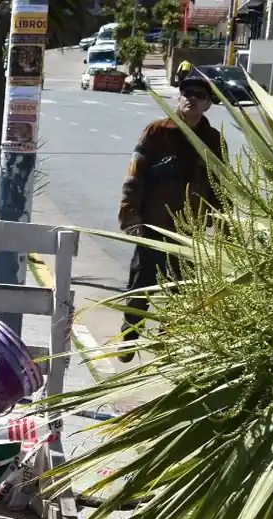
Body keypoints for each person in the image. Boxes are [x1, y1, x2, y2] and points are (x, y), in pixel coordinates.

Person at [117, 71, 225, 353]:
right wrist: (131, 216)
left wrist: (224, 222)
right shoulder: (156, 132)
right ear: (179, 98)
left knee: (182, 286)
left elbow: (220, 184)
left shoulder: (212, 140)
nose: (191, 99)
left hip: (190, 228)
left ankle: (169, 339)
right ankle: (131, 332)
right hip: (153, 222)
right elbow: (134, 175)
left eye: (199, 96)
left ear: (207, 104)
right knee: (143, 280)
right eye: (187, 93)